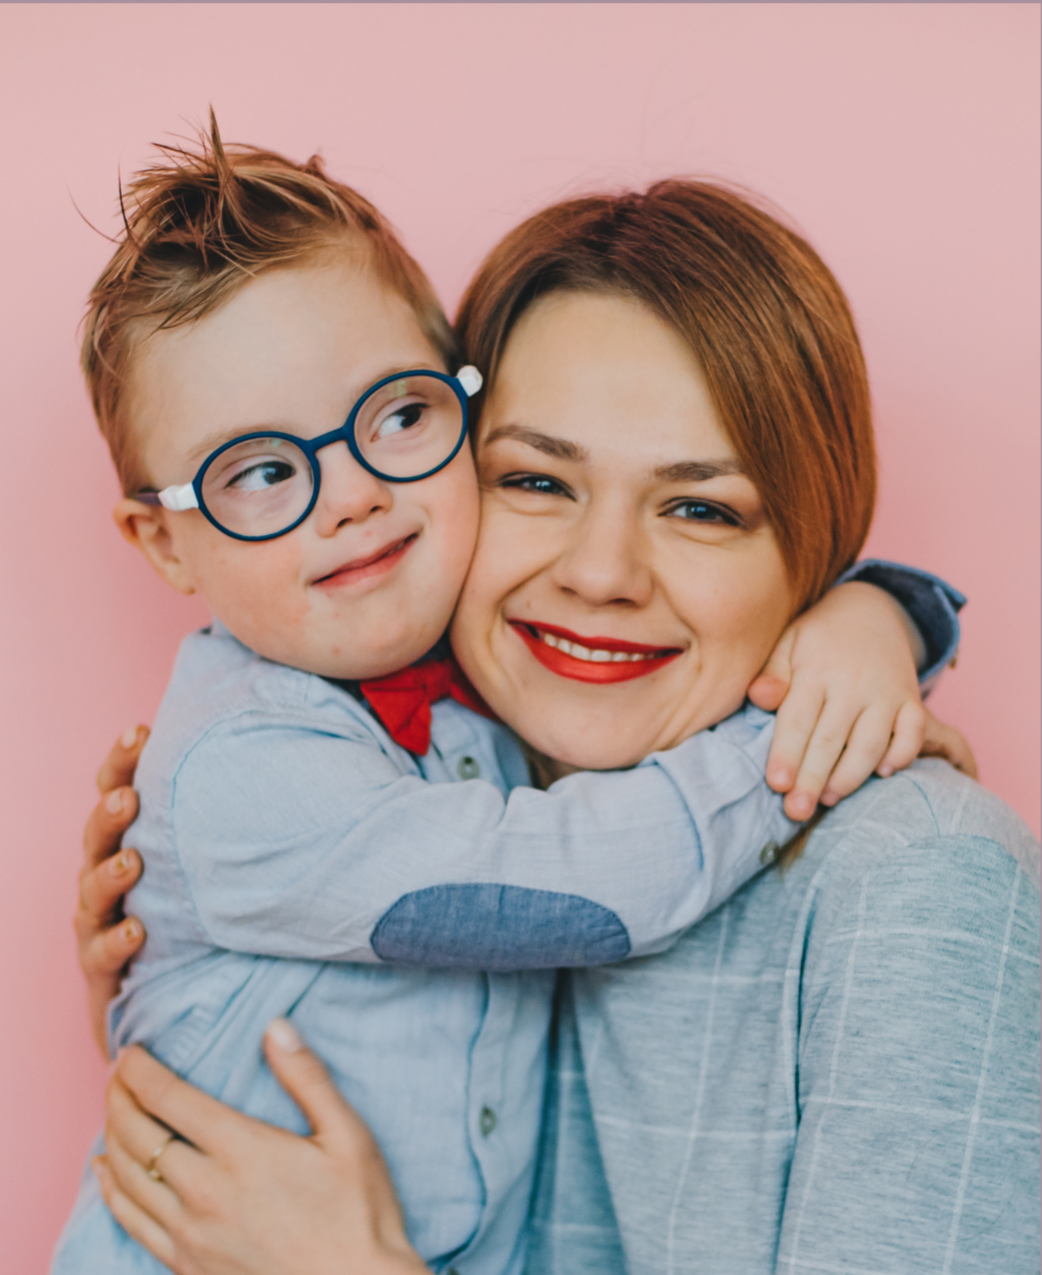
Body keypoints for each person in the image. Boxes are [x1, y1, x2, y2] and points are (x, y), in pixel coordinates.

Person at [53, 131, 961, 1275]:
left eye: (396, 417)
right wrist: (801, 738)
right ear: (164, 542)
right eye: (262, 474)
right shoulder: (249, 767)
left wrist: (873, 616)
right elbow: (582, 888)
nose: (353, 499)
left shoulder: (485, 704)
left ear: (453, 405)